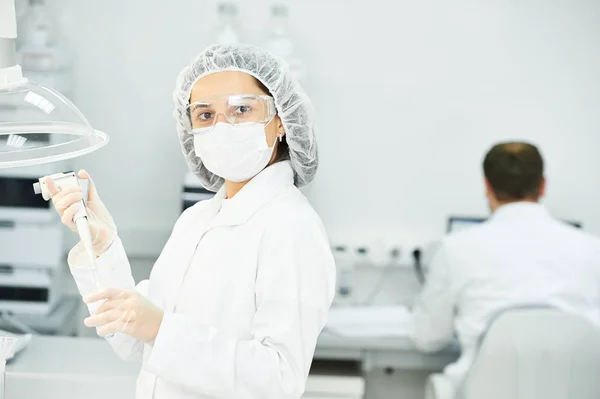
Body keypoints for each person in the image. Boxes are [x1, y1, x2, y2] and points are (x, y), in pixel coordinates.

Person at [46, 44, 336, 399]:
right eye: (204, 115)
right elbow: (135, 343)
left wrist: (161, 329)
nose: (221, 126)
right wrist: (101, 247)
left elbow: (278, 379)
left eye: (241, 109)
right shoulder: (196, 220)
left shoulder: (292, 227)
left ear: (280, 121)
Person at [410, 142, 600, 398]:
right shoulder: (592, 249)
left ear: (486, 186)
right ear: (543, 185)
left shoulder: (456, 248)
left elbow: (427, 339)